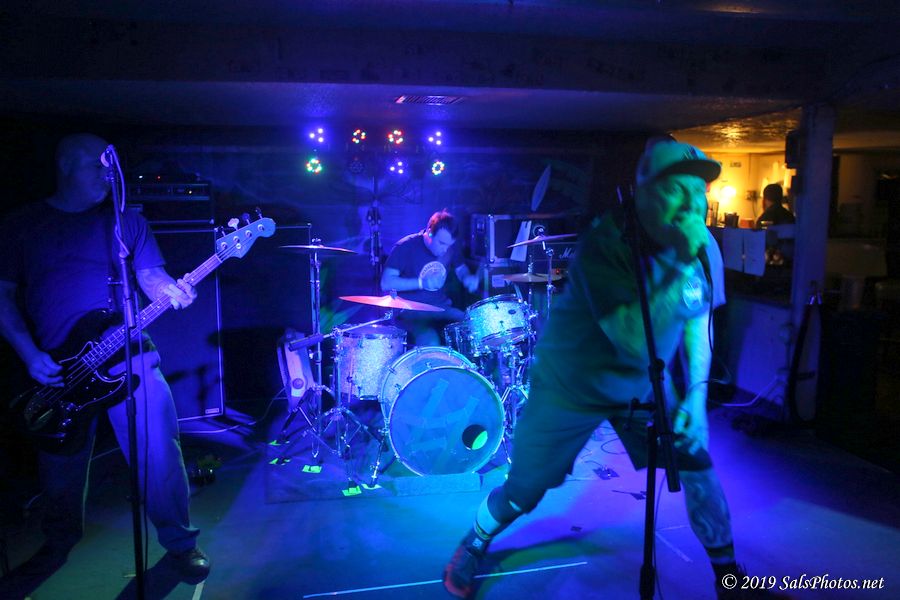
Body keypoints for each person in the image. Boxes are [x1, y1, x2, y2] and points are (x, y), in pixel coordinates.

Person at [443, 141, 762, 599]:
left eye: (700, 190)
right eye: (679, 189)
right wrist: (678, 260)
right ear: (645, 192)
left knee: (697, 465)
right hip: (572, 382)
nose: (694, 203)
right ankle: (475, 540)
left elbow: (699, 320)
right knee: (525, 489)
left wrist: (694, 398)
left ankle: (730, 580)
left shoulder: (701, 245)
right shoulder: (606, 244)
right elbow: (631, 337)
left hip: (644, 381)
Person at [0, 133, 210, 591]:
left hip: (131, 354)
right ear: (66, 167)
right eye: (97, 168)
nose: (107, 176)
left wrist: (171, 291)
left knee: (160, 452)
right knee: (60, 465)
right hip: (58, 366)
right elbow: (3, 296)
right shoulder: (21, 225)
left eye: (110, 168)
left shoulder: (126, 222)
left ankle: (180, 544)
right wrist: (29, 355)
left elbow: (151, 277)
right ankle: (58, 542)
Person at [380, 210, 479, 346]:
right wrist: (422, 283)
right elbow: (386, 282)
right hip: (411, 312)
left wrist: (467, 277)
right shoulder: (405, 246)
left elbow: (461, 269)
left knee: (474, 326)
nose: (445, 249)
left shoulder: (449, 246)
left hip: (442, 308)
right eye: (441, 243)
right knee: (430, 340)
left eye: (449, 245)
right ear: (429, 233)